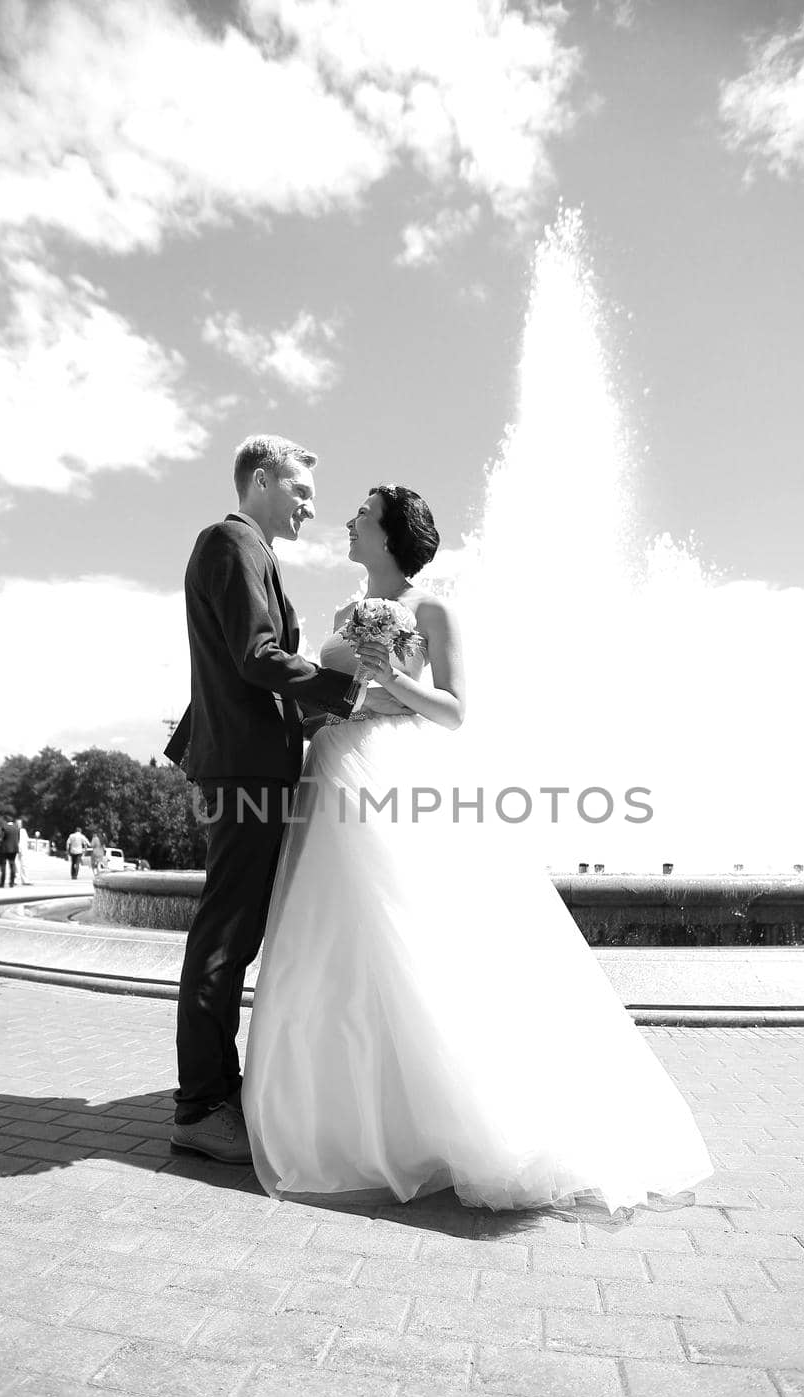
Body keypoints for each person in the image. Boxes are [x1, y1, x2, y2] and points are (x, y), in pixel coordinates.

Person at [241, 485, 713, 1211]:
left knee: (417, 934)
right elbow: (328, 695)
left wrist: (390, 676)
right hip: (331, 771)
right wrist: (311, 717)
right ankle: (352, 1116)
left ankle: (458, 1115)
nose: (347, 522)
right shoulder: (338, 613)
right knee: (335, 940)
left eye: (361, 517)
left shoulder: (432, 609)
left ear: (392, 534)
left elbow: (454, 711)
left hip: (398, 773)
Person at [167, 433, 364, 1162]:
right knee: (226, 937)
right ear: (259, 481)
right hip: (246, 771)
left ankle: (215, 1088)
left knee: (237, 934)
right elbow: (255, 658)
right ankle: (201, 1106)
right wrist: (350, 693)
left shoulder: (250, 550)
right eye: (300, 493)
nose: (311, 508)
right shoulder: (231, 542)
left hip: (252, 764)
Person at [0, 816, 21, 888]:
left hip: (4, 849)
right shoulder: (17, 828)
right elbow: (18, 838)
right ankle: (11, 883)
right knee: (12, 865)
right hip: (14, 849)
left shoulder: (4, 827)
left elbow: (1, 838)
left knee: (3, 866)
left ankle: (2, 883)